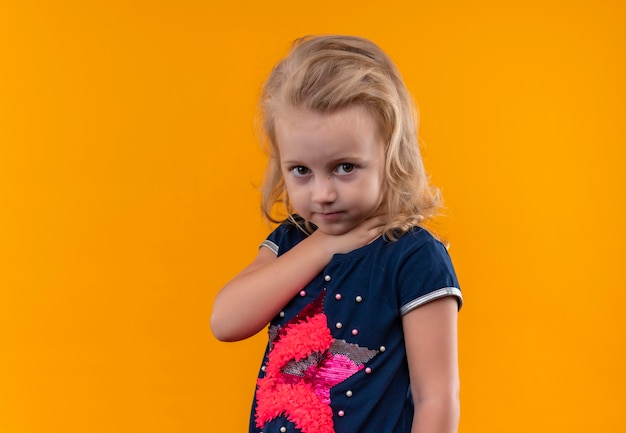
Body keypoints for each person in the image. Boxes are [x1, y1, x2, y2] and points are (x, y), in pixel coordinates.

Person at [210, 35, 462, 433]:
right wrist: (325, 244)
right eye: (301, 171)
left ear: (390, 156)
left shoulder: (412, 256)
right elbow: (225, 321)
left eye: (345, 167)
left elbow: (437, 398)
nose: (323, 195)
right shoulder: (292, 240)